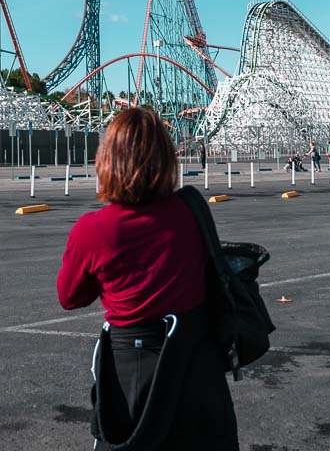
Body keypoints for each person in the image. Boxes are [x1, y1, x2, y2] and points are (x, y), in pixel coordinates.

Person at [57, 107, 238, 450]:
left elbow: (70, 297)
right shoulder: (191, 210)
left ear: (107, 160)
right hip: (198, 363)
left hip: (133, 372)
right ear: (167, 158)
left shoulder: (93, 230)